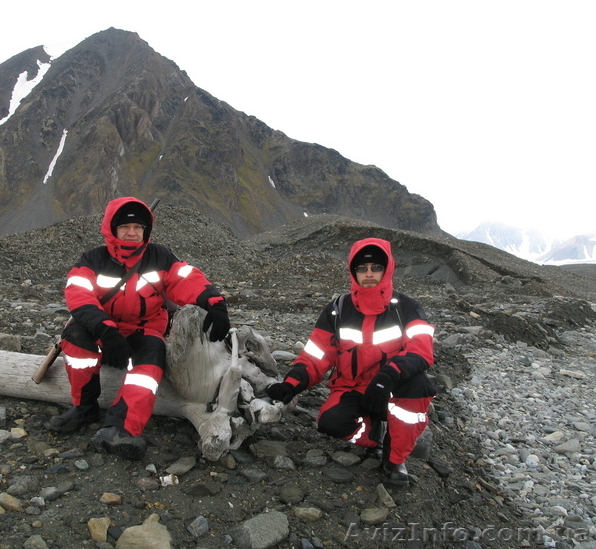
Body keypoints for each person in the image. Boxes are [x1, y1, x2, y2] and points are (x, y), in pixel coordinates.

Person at [47, 197, 231, 460]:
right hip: (103, 328)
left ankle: (121, 427)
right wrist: (106, 332)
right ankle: (84, 406)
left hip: (143, 330)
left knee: (151, 358)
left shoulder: (160, 256)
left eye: (138, 227)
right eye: (125, 227)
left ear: (146, 230)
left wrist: (215, 302)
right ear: (111, 229)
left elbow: (186, 278)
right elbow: (78, 295)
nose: (132, 232)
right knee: (75, 337)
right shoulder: (91, 259)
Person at [267, 237, 436, 485]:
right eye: (362, 268)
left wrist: (388, 375)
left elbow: (421, 350)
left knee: (418, 385)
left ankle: (395, 459)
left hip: (392, 386)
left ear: (388, 269)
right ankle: (374, 436)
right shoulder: (338, 309)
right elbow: (317, 355)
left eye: (376, 267)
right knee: (330, 423)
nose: (369, 273)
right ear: (353, 271)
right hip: (352, 387)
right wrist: (291, 384)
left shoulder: (407, 308)